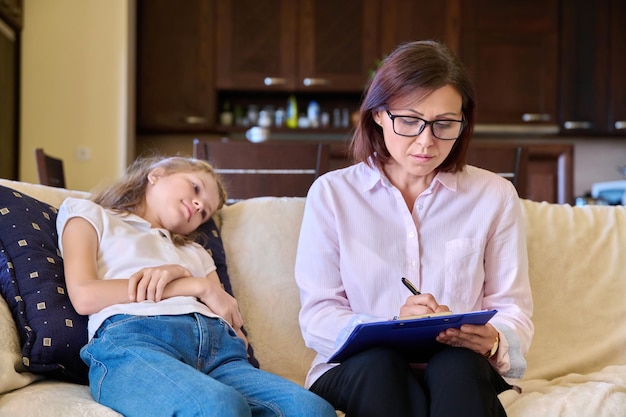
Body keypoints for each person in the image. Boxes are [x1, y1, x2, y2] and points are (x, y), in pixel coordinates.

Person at [295, 40, 534, 417]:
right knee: (381, 365)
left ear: (463, 121)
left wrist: (494, 340)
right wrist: (392, 327)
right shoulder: (332, 194)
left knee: (455, 365)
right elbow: (319, 315)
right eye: (409, 120)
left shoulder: (495, 196)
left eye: (444, 124)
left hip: (458, 367)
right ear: (377, 114)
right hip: (360, 369)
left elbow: (512, 308)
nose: (426, 141)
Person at [57, 156, 336, 417]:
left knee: (312, 410)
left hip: (221, 353)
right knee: (220, 406)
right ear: (157, 174)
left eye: (206, 213)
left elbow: (232, 321)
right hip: (137, 340)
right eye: (196, 188)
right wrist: (192, 285)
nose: (200, 206)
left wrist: (227, 322)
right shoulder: (91, 214)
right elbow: (84, 295)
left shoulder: (196, 252)